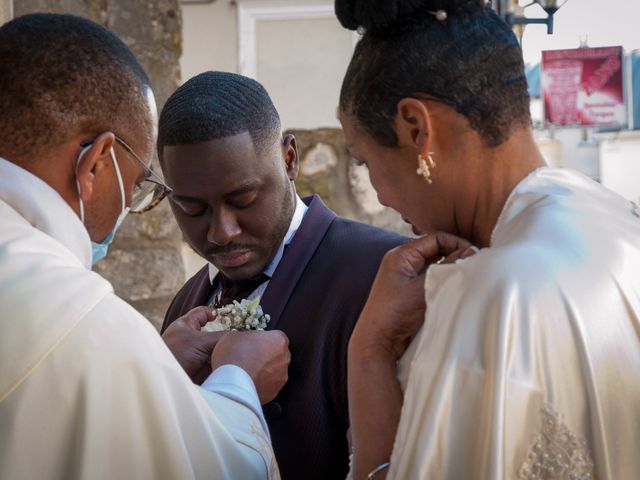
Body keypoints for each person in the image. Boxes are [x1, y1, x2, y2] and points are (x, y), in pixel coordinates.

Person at [333, 0, 640, 479]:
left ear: (416, 128)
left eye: (364, 161)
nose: (379, 193)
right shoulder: (616, 214)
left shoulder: (495, 297)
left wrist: (369, 349)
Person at [0, 13, 290, 479]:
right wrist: (238, 384)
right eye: (136, 187)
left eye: (244, 198)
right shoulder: (76, 319)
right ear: (96, 163)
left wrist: (151, 369)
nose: (220, 233)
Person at [156, 71, 408, 480]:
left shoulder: (382, 274)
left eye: (243, 198)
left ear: (289, 158)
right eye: (192, 209)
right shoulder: (184, 308)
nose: (223, 231)